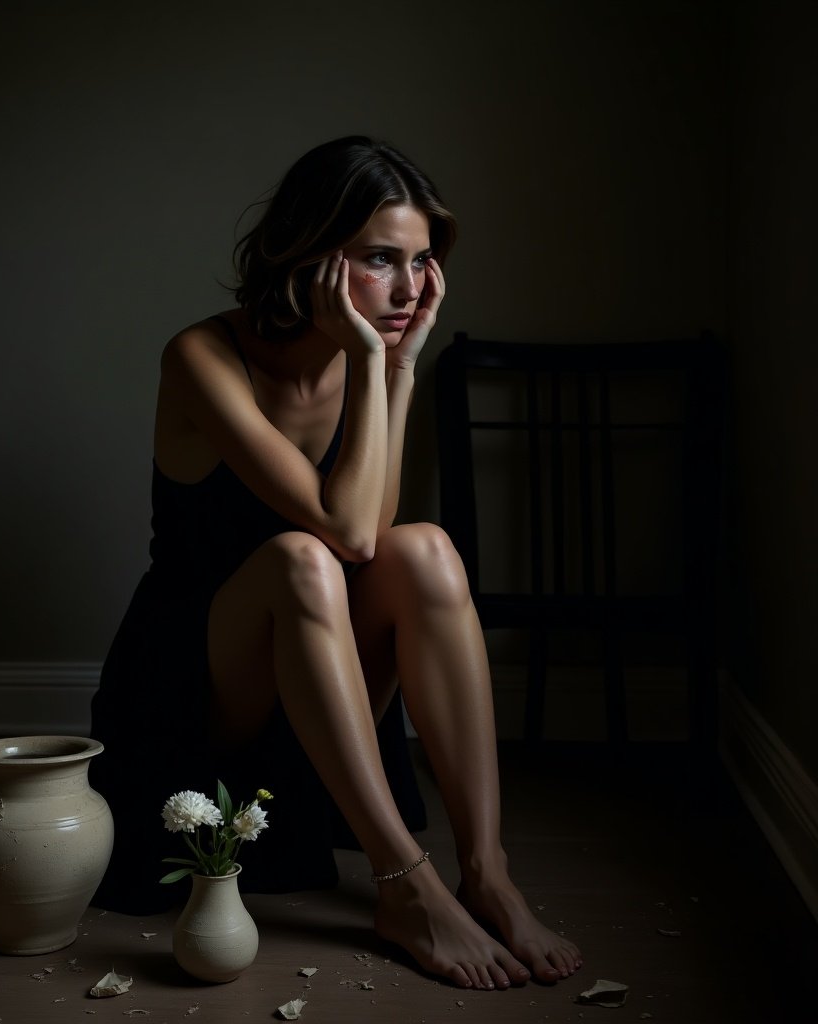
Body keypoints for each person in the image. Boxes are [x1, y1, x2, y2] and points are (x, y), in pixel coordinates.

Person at [89, 135, 583, 990]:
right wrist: (368, 357)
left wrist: (396, 369)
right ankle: (405, 883)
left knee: (425, 548)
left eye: (423, 262)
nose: (409, 288)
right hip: (193, 693)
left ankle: (487, 871)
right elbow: (342, 538)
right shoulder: (202, 357)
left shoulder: (378, 354)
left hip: (319, 674)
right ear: (314, 259)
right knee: (301, 560)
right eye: (381, 260)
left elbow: (378, 529)